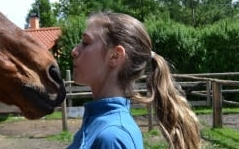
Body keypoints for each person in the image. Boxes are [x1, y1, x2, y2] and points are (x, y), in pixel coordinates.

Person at [67, 12, 200, 149]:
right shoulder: (98, 122)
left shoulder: (113, 136)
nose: (74, 51)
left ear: (115, 56)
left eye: (85, 42)